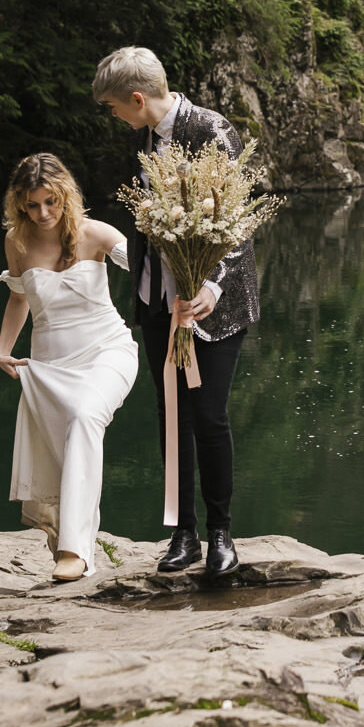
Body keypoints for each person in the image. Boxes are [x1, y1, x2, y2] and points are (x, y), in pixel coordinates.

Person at [93, 46, 259, 577]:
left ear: (138, 99)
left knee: (208, 417)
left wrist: (211, 281)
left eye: (116, 107)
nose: (116, 116)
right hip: (159, 301)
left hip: (212, 303)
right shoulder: (147, 137)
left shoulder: (212, 131)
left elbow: (237, 218)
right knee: (172, 417)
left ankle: (220, 534)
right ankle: (182, 535)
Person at [0, 153, 138, 583]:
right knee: (63, 451)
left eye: (50, 202)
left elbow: (148, 266)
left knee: (85, 416)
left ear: (66, 195)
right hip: (50, 365)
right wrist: (2, 349)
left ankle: (75, 552)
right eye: (32, 205)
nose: (42, 213)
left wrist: (181, 251)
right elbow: (19, 298)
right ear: (20, 204)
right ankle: (69, 541)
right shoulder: (17, 241)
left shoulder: (95, 232)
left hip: (107, 352)